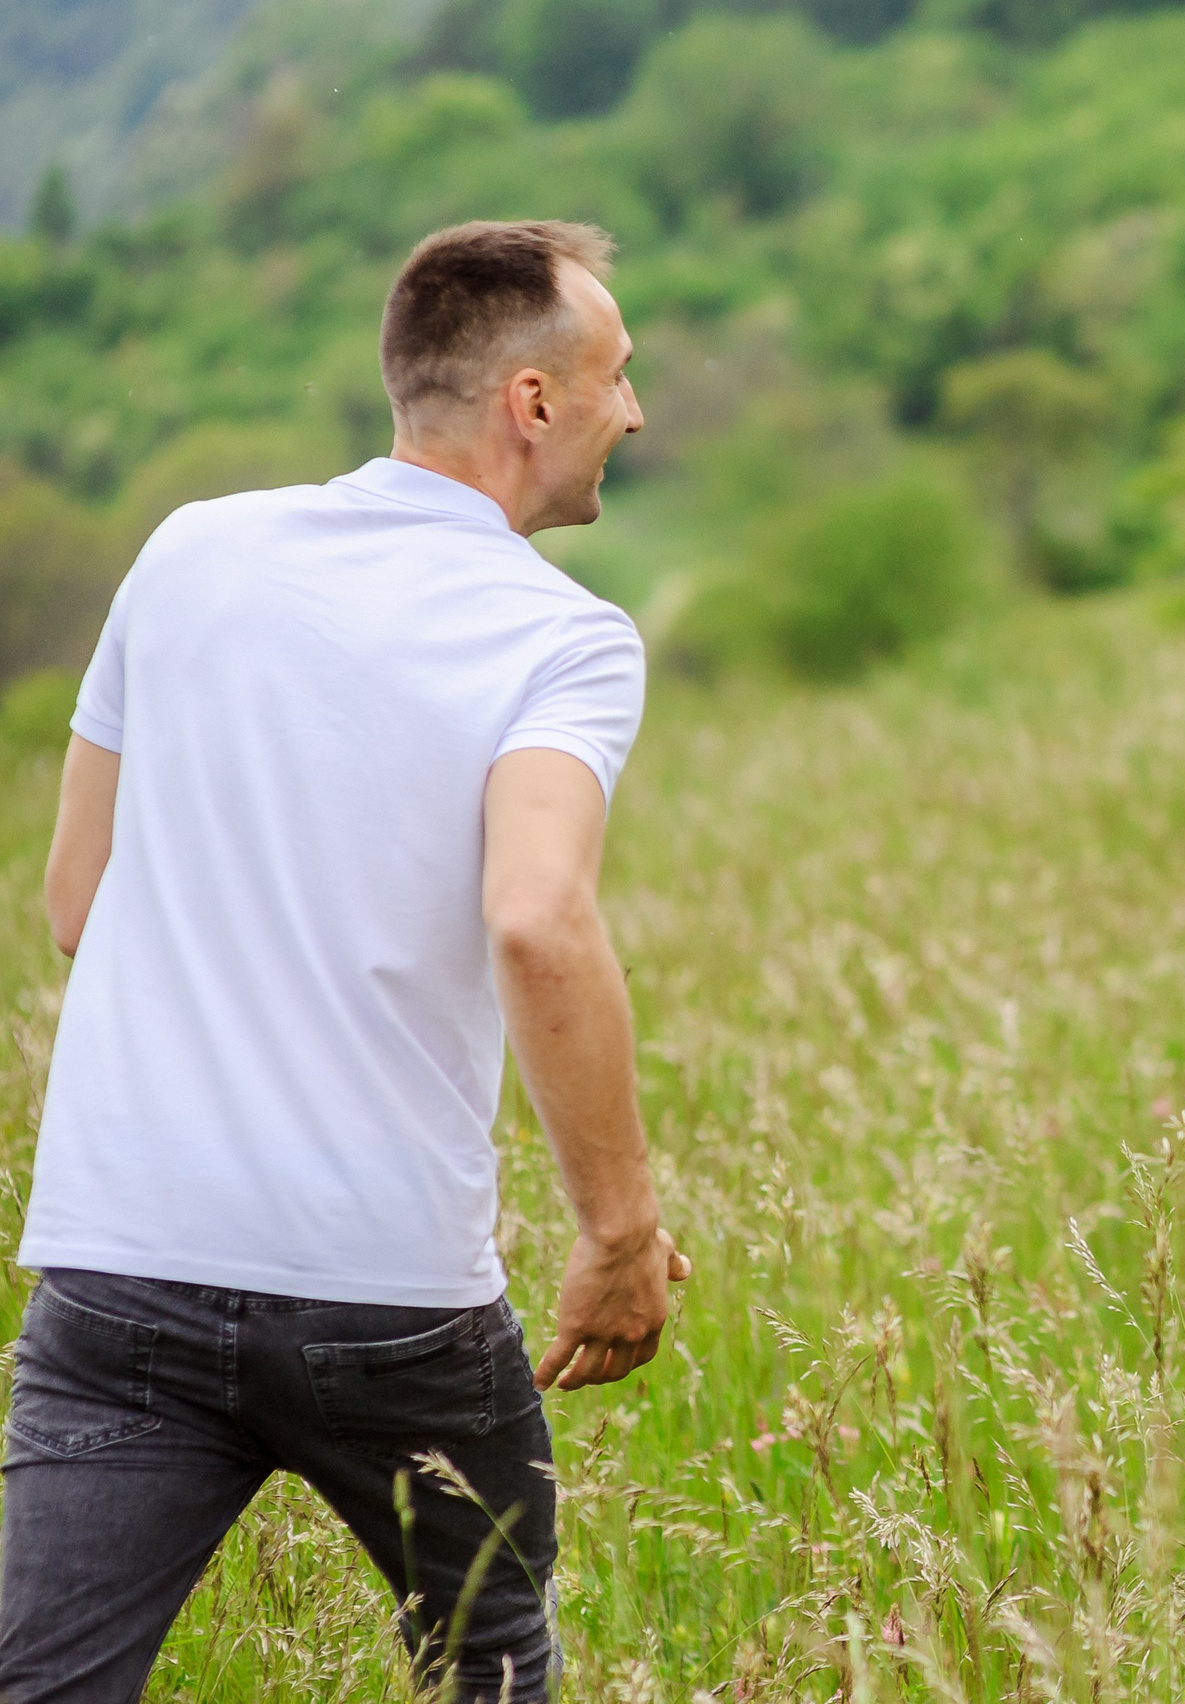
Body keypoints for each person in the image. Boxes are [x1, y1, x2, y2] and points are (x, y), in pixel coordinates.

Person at [0, 219, 689, 1704]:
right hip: (387, 1294)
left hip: (122, 1265)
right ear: (531, 402)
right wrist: (620, 1236)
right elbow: (537, 917)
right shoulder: (563, 640)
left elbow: (75, 900)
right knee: (488, 1664)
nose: (633, 412)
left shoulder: (186, 551)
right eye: (618, 377)